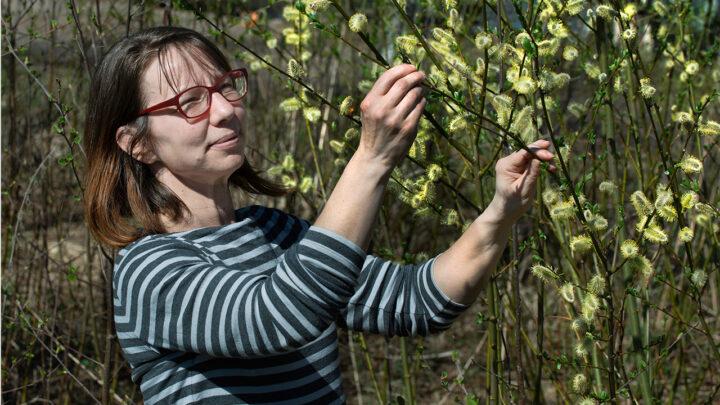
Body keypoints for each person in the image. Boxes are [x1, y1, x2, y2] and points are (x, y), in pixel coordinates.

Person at [83, 26, 556, 404]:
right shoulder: (147, 269)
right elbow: (275, 318)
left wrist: (500, 214)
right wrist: (370, 160)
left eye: (227, 87)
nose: (227, 110)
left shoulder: (276, 232)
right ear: (136, 143)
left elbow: (417, 302)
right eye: (190, 102)